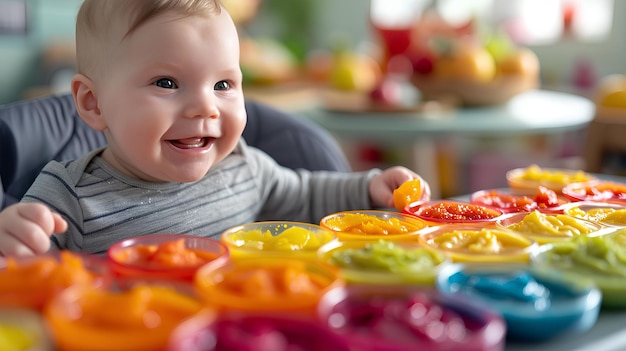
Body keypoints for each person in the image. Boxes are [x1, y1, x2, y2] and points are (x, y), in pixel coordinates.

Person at [0, 0, 430, 257]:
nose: (205, 106)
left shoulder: (244, 167)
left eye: (223, 84)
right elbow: (30, 269)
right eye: (166, 83)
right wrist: (16, 236)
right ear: (93, 104)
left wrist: (370, 188)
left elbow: (305, 195)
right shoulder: (66, 199)